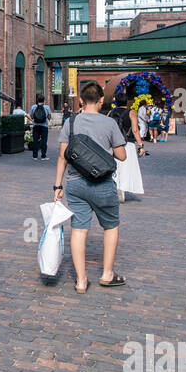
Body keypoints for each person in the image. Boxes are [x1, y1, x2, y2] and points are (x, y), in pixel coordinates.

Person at [54, 81, 128, 292]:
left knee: (78, 229)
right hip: (103, 184)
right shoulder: (109, 123)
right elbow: (121, 156)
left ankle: (81, 280)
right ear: (102, 100)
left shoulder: (71, 122)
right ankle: (107, 274)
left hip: (75, 183)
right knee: (111, 226)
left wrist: (57, 186)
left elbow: (62, 157)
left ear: (80, 100)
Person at [107, 93, 146, 202]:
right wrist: (141, 145)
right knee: (126, 168)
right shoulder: (131, 113)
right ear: (127, 102)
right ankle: (122, 189)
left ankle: (116, 188)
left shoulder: (111, 112)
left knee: (115, 167)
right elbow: (135, 130)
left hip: (113, 144)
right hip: (127, 143)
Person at [30, 94, 52, 160]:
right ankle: (43, 156)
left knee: (35, 141)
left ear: (37, 100)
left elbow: (31, 116)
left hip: (36, 126)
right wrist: (48, 119)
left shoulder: (33, 107)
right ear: (44, 100)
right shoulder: (47, 107)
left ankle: (35, 156)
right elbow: (49, 117)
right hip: (44, 126)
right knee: (44, 141)